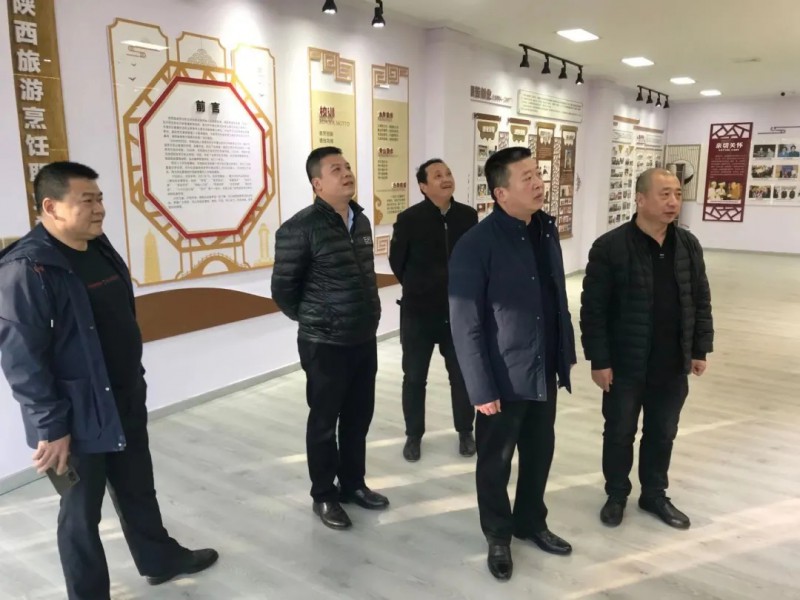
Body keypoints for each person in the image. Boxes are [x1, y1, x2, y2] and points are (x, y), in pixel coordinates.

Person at [0, 162, 218, 600]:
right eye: (88, 200)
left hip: (122, 397)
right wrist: (52, 427)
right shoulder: (28, 268)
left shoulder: (97, 246)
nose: (100, 209)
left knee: (138, 487)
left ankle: (160, 560)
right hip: (75, 416)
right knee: (80, 514)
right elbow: (22, 361)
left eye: (100, 199)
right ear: (51, 207)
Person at [448, 147, 577, 581]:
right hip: (502, 377)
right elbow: (464, 323)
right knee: (495, 463)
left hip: (543, 367)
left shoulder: (544, 229)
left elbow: (555, 298)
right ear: (501, 193)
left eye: (538, 173)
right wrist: (480, 388)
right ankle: (498, 535)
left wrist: (564, 355)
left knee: (539, 453)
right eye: (527, 178)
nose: (538, 183)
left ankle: (531, 522)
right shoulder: (476, 244)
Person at [580, 168, 714, 531]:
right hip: (626, 363)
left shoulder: (688, 245)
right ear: (640, 199)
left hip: (671, 362)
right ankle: (616, 494)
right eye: (664, 194)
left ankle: (654, 494)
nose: (673, 202)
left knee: (662, 432)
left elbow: (700, 299)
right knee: (619, 431)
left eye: (677, 194)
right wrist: (599, 360)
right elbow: (593, 310)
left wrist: (700, 348)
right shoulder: (610, 247)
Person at [271, 146, 389, 531]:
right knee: (324, 423)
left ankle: (353, 484)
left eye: (348, 166)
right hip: (324, 344)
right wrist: (317, 319)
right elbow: (283, 291)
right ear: (317, 184)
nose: (346, 173)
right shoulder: (299, 229)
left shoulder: (361, 221)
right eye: (336, 169)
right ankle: (324, 495)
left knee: (358, 418)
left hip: (362, 336)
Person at [389, 159, 477, 462]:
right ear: (423, 186)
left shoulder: (468, 216)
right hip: (419, 314)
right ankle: (414, 435)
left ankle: (465, 431)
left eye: (448, 173)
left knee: (462, 376)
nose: (446, 178)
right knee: (414, 378)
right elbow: (397, 262)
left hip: (458, 313)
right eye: (437, 175)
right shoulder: (409, 219)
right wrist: (420, 287)